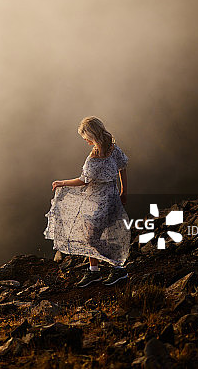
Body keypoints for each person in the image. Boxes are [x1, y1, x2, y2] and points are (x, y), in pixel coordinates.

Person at [44, 116, 131, 287]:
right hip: (110, 197)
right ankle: (95, 271)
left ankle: (117, 267)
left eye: (85, 136)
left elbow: (83, 180)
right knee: (94, 232)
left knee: (91, 236)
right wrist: (123, 190)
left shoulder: (94, 158)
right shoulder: (113, 149)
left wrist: (62, 183)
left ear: (92, 135)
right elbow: (123, 168)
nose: (84, 140)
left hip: (101, 201)